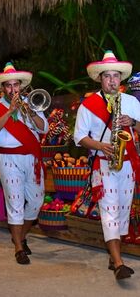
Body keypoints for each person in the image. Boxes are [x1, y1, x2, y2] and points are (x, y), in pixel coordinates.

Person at [74, 50, 140, 280]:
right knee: (109, 211)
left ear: (120, 79)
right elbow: (79, 137)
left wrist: (133, 122)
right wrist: (101, 146)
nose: (112, 80)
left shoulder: (131, 102)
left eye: (115, 76)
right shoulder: (88, 105)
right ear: (100, 79)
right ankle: (120, 263)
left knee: (122, 210)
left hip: (127, 164)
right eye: (107, 76)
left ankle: (114, 258)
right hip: (103, 165)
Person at [0, 62, 49, 265]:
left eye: (16, 85)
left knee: (36, 202)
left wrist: (30, 113)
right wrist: (10, 111)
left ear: (20, 86)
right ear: (2, 88)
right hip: (9, 158)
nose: (13, 89)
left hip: (32, 157)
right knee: (15, 203)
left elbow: (44, 128)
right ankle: (19, 248)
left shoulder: (31, 102)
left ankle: (20, 236)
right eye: (8, 85)